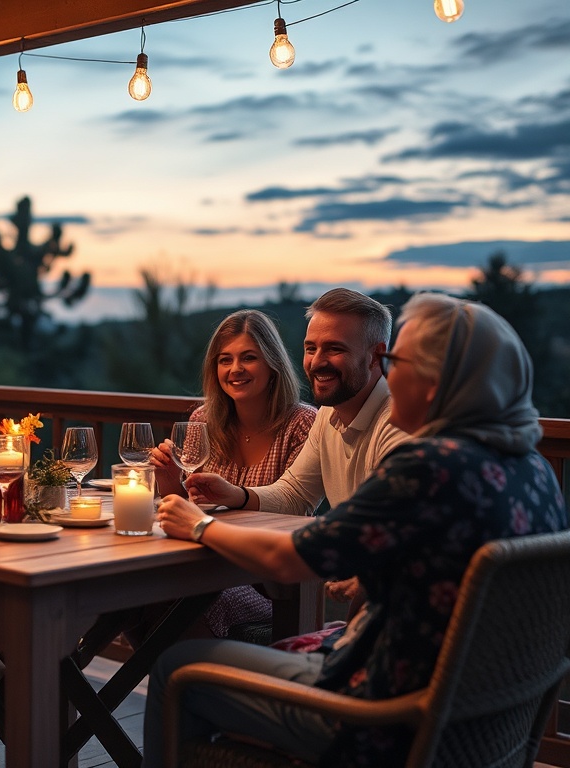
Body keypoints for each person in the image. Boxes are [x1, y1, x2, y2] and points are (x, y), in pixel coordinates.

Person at [143, 293, 568, 767]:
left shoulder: (428, 466)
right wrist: (236, 495)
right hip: (479, 719)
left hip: (380, 716)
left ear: (437, 382)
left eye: (394, 360)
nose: (388, 373)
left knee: (181, 669)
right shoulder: (532, 468)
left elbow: (291, 559)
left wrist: (197, 524)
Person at [185, 288, 409, 627]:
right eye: (310, 348)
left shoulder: (397, 422)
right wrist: (237, 494)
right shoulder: (327, 416)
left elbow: (396, 533)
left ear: (377, 355)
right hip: (372, 610)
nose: (317, 361)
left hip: (394, 619)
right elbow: (294, 493)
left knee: (178, 650)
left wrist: (201, 526)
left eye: (334, 349)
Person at [149, 309, 316, 641]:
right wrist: (169, 480)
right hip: (200, 564)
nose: (235, 369)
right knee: (142, 594)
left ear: (273, 364)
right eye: (225, 360)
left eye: (249, 358)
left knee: (173, 599)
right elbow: (187, 509)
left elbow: (298, 509)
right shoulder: (203, 419)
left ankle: (187, 685)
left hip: (270, 581)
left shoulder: (302, 424)